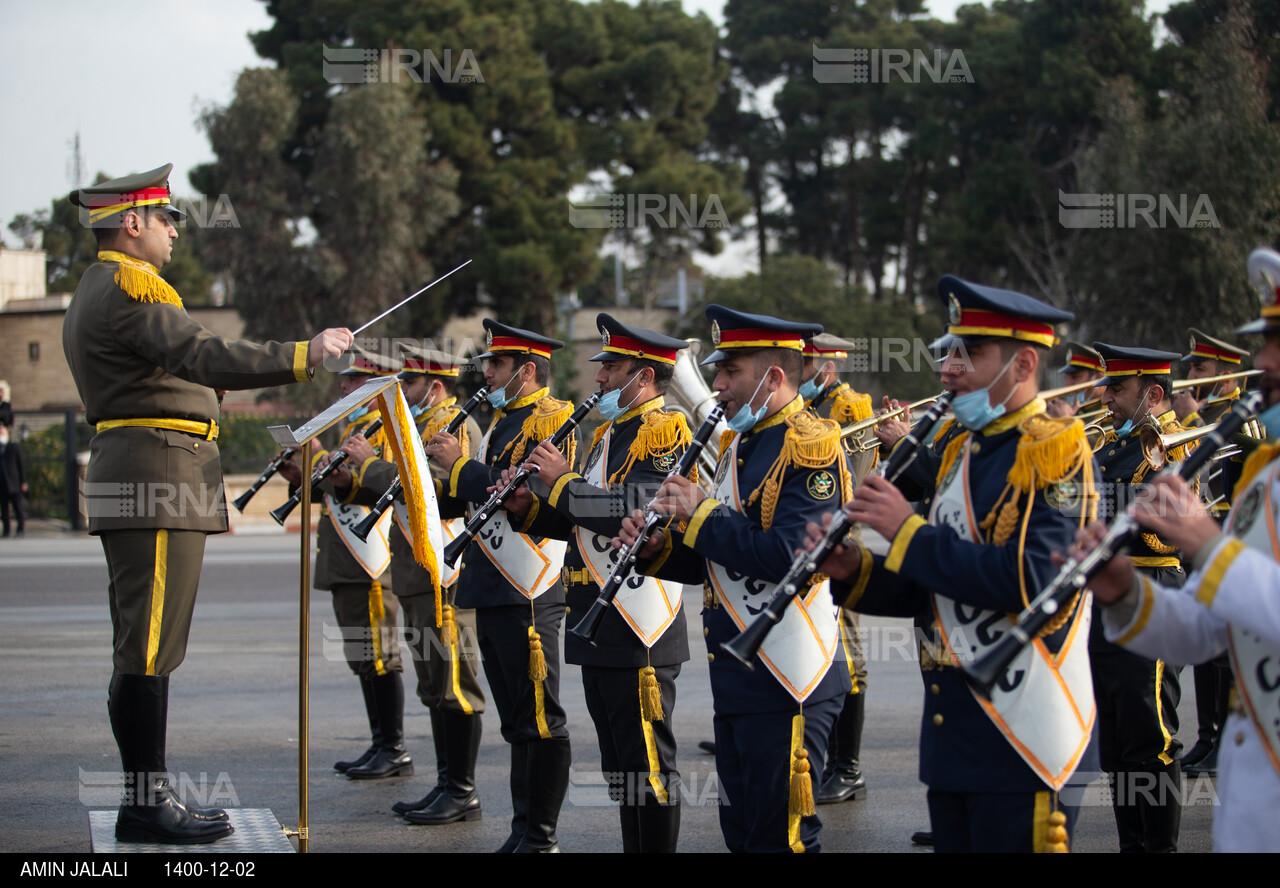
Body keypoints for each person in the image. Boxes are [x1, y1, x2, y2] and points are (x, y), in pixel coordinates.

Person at [62, 163, 352, 843]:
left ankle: (146, 797)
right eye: (165, 220)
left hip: (146, 473)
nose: (172, 233)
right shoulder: (132, 284)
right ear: (131, 223)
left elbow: (161, 374)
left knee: (144, 641)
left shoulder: (102, 287)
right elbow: (201, 352)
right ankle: (146, 804)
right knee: (150, 644)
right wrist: (305, 353)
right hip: (157, 479)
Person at [802, 277, 1097, 852]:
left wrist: (905, 530)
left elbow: (1035, 582)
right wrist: (853, 569)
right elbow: (933, 588)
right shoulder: (963, 448)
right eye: (949, 353)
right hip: (954, 735)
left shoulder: (1056, 447)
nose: (948, 370)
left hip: (1024, 731)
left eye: (970, 354)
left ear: (1024, 363)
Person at [617, 305, 853, 853]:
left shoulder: (809, 445)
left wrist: (699, 516)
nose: (717, 385)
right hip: (741, 674)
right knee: (742, 834)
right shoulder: (738, 444)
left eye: (730, 373)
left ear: (772, 378)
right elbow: (720, 559)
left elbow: (789, 557)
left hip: (791, 672)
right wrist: (657, 551)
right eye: (718, 372)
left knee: (780, 839)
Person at [1069, 248, 1280, 851]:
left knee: (1149, 736)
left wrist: (1208, 545)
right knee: (1122, 739)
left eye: (1275, 345)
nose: (1260, 363)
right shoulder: (1267, 479)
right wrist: (1119, 593)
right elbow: (1208, 632)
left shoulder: (1205, 456)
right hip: (1256, 806)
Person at [500, 314, 692, 852]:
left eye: (612, 367)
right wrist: (529, 508)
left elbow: (634, 512)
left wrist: (563, 481)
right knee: (621, 768)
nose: (600, 378)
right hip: (598, 620)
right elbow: (582, 517)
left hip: (638, 622)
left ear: (645, 377)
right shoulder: (612, 433)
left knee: (647, 769)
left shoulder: (663, 431)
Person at [430, 320, 574, 853]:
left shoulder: (552, 419)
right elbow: (472, 500)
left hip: (527, 588)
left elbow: (525, 495)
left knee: (539, 718)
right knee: (518, 722)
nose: (486, 373)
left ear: (527, 371)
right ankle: (522, 831)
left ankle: (539, 837)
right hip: (490, 585)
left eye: (497, 365)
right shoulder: (501, 421)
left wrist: (460, 466)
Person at [338, 344, 487, 823]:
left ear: (436, 386)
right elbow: (394, 490)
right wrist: (348, 475)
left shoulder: (454, 426)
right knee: (432, 684)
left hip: (446, 574)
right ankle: (447, 783)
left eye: (408, 383)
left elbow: (440, 494)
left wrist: (370, 465)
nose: (398, 390)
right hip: (415, 572)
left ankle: (461, 789)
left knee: (454, 683)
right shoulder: (411, 426)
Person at [280, 345, 412, 781]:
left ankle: (392, 746)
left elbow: (388, 484)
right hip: (343, 556)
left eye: (355, 379)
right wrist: (302, 474)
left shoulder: (388, 428)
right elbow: (336, 489)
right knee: (362, 654)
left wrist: (319, 459)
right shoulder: (353, 427)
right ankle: (380, 741)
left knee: (378, 653)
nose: (344, 385)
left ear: (375, 387)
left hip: (370, 556)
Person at [1090, 343, 1186, 852]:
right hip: (1108, 598)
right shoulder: (1109, 446)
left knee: (1151, 738)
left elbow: (1159, 532)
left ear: (1152, 393)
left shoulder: (1175, 445)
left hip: (1150, 594)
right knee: (1119, 742)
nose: (1106, 397)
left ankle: (1160, 848)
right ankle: (1133, 845)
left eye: (1118, 389)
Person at [1173, 328, 1253, 778]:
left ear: (1226, 373)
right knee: (1206, 650)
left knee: (1222, 648)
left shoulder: (1239, 415)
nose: (1189, 376)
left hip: (1224, 535)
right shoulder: (1205, 414)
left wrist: (1189, 421)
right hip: (1197, 539)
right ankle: (1208, 737)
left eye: (1199, 369)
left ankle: (1222, 738)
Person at [800, 333, 873, 805]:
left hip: (840, 535)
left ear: (828, 365)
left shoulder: (851, 408)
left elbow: (859, 475)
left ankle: (848, 768)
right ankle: (824, 758)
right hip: (806, 535)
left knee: (846, 651)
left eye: (806, 363)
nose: (799, 370)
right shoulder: (802, 410)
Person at [1046, 342, 1106, 419]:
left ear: (1099, 379)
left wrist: (1066, 421)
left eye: (1075, 377)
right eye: (1067, 378)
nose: (1067, 384)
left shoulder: (1111, 413)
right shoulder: (1078, 409)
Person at [0, 423, 25, 538]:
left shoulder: (14, 447)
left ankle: (20, 529)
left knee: (18, 508)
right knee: (4, 510)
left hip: (14, 483)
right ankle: (6, 531)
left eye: (2, 432)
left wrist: (23, 482)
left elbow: (21, 465)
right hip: (2, 484)